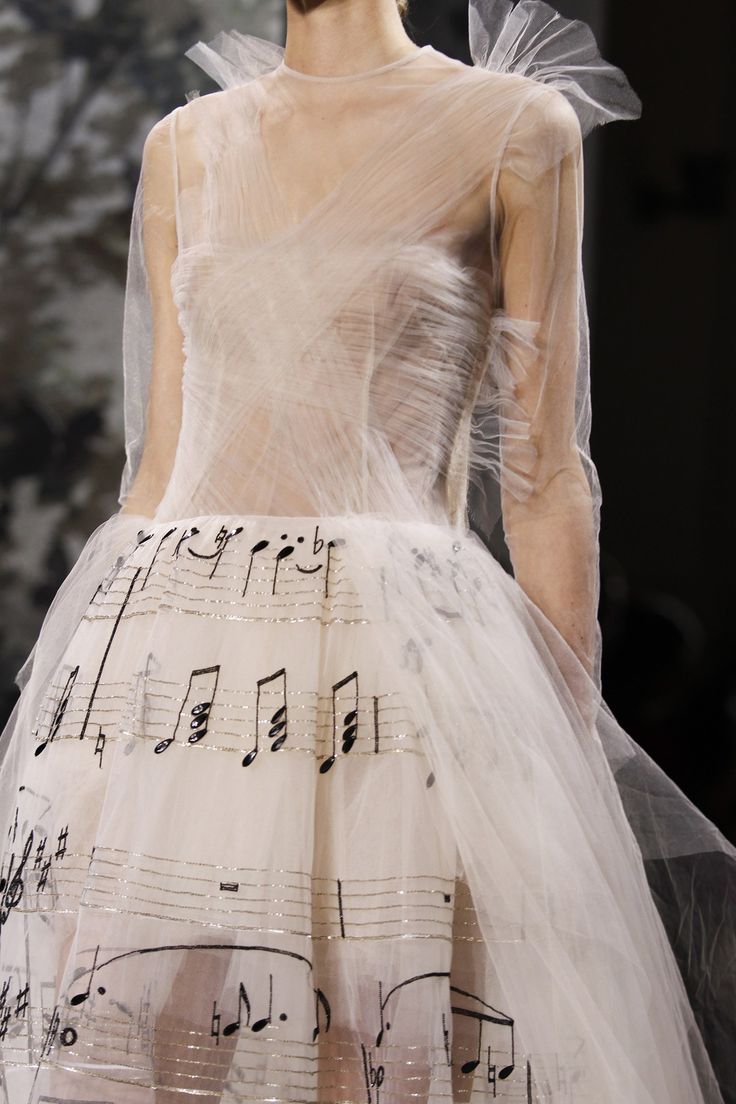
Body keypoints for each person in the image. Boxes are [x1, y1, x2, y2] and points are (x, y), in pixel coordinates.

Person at [0, 0, 733, 1100]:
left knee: (383, 1046)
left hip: (401, 668)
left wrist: (562, 748)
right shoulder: (188, 144)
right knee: (145, 1049)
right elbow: (159, 461)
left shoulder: (512, 127)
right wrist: (86, 717)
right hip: (186, 657)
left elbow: (542, 471)